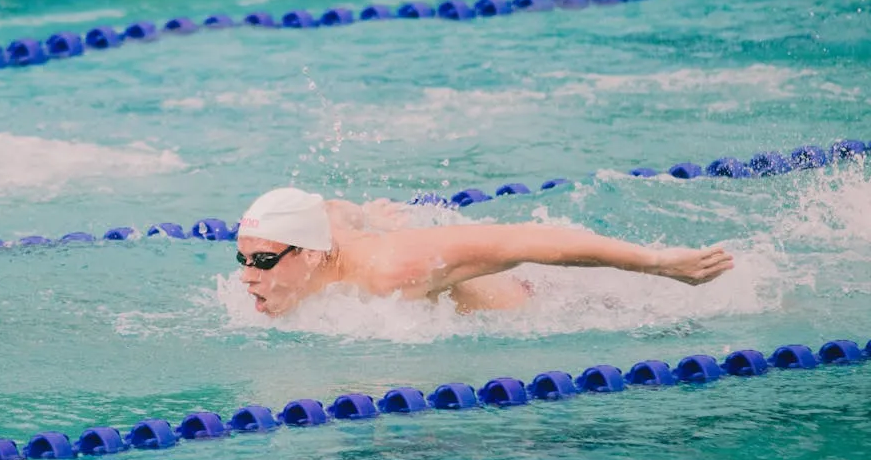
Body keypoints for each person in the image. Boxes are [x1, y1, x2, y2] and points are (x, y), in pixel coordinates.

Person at [235, 187, 735, 316]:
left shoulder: (392, 269)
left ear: (312, 255)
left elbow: (525, 240)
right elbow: (333, 209)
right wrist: (369, 215)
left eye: (263, 262)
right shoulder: (319, 230)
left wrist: (657, 262)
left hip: (548, 303)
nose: (246, 277)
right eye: (243, 259)